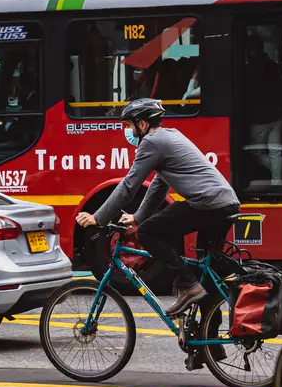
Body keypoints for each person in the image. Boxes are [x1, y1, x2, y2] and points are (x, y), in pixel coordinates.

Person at [76, 99, 241, 316]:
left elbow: (128, 186)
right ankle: (208, 345)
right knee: (206, 273)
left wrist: (98, 218)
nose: (127, 131)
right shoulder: (170, 135)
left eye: (128, 125)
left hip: (207, 205)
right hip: (225, 204)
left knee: (147, 233)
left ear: (142, 124)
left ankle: (186, 284)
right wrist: (138, 216)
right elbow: (159, 184)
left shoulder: (151, 143)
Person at [243, 34, 282, 185]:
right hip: (277, 116)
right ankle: (278, 180)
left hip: (258, 119)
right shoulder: (274, 66)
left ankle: (281, 176)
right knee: (276, 153)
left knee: (257, 153)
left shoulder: (249, 70)